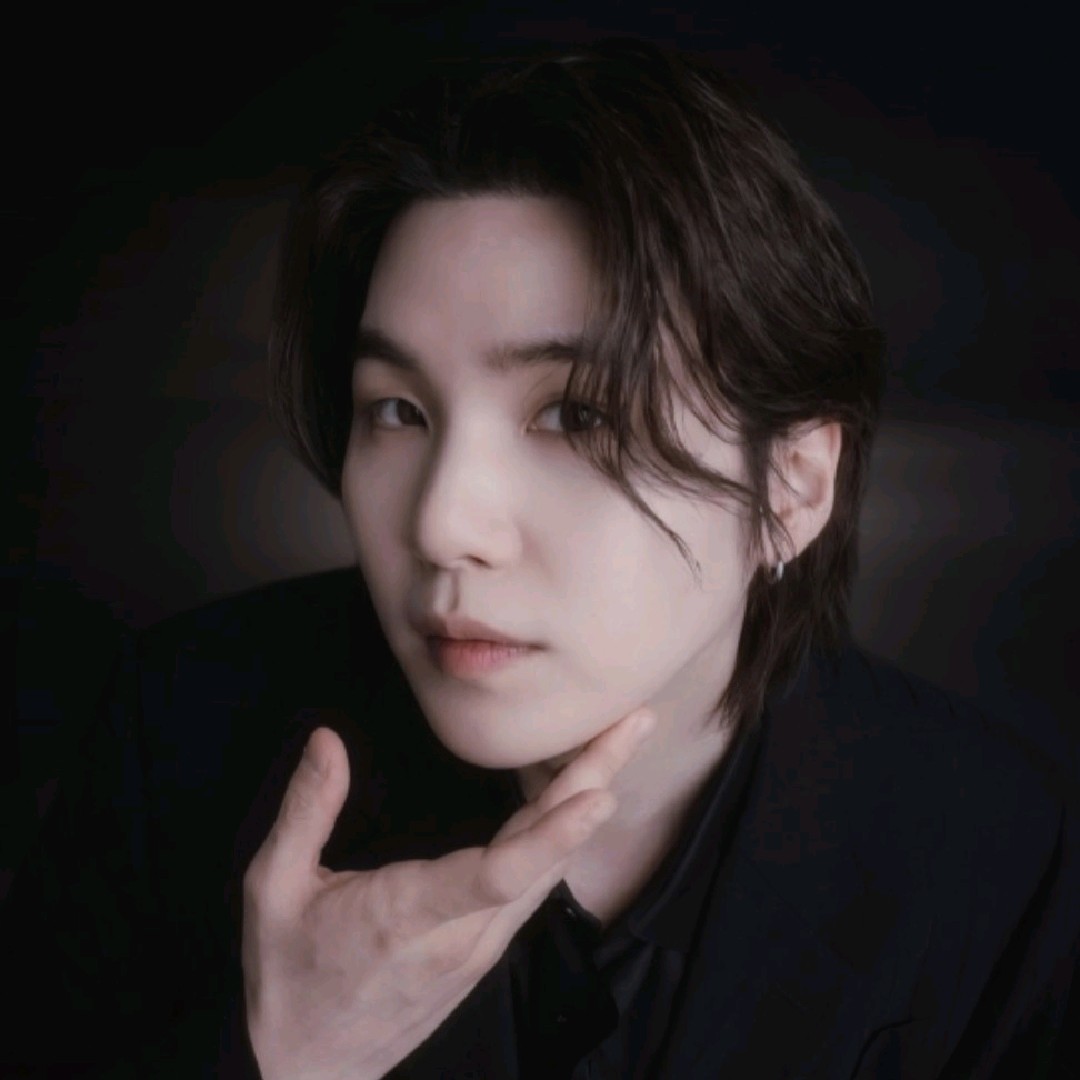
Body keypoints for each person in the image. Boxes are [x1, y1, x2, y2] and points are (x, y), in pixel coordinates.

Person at [2, 34, 1077, 1079]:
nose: (441, 525)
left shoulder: (997, 857)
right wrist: (283, 1058)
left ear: (792, 486)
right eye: (398, 409)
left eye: (577, 415)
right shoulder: (176, 739)